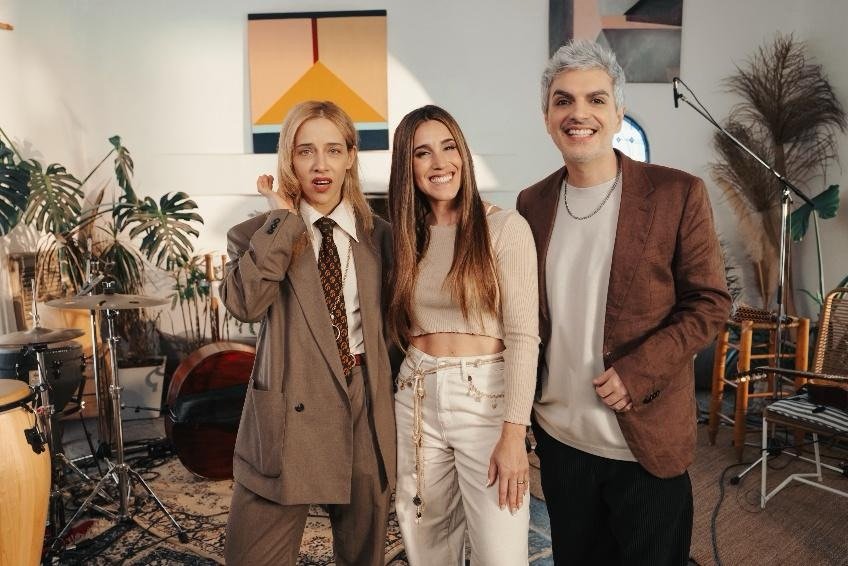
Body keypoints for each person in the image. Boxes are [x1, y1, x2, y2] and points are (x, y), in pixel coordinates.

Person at [516, 40, 731, 565]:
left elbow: (709, 302)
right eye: (563, 100)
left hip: (644, 441)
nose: (579, 113)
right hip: (561, 442)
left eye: (595, 99)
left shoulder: (678, 193)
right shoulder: (531, 203)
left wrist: (639, 371)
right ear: (546, 118)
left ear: (618, 113)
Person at [221, 100, 395, 566]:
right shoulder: (257, 233)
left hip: (363, 402)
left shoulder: (379, 236)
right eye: (306, 151)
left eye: (333, 150)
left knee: (363, 553)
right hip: (288, 405)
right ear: (289, 159)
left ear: (350, 156)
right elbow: (245, 305)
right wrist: (282, 220)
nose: (321, 165)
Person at [387, 105, 539, 565]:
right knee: (427, 547)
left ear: (464, 154)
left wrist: (515, 433)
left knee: (501, 552)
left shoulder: (505, 228)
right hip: (415, 395)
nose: (440, 163)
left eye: (448, 147)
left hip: (485, 399)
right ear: (407, 166)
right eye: (422, 153)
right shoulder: (405, 237)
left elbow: (524, 336)